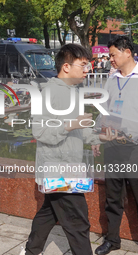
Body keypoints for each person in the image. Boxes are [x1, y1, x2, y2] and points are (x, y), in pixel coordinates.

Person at [22, 44, 118, 255]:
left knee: (48, 213)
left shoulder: (73, 91)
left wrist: (99, 137)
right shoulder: (50, 92)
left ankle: (31, 250)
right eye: (83, 65)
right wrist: (69, 125)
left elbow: (79, 130)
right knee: (77, 221)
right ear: (66, 67)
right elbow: (38, 131)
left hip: (69, 165)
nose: (88, 70)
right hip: (58, 168)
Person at [94, 36, 138, 255]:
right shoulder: (111, 79)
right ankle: (112, 239)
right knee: (113, 197)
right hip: (112, 146)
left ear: (127, 52)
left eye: (113, 54)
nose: (109, 58)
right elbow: (104, 109)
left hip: (135, 149)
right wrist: (98, 135)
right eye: (110, 55)